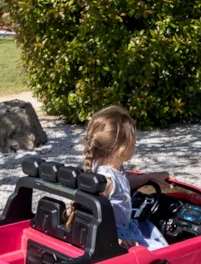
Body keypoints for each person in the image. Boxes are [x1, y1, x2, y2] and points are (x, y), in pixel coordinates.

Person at [65, 105, 169, 250]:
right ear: (123, 148)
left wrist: (148, 177)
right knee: (162, 252)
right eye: (133, 141)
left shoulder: (111, 169)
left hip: (125, 231)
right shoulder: (107, 180)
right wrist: (115, 239)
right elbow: (89, 209)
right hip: (118, 238)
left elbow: (124, 183)